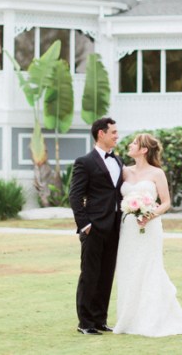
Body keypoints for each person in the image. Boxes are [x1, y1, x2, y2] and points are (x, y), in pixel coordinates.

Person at [114, 133, 182, 337]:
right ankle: (128, 318)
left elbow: (166, 202)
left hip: (149, 228)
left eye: (134, 143)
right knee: (129, 270)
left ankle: (151, 320)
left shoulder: (157, 173)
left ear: (144, 150)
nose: (129, 145)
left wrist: (150, 214)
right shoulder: (124, 172)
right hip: (128, 228)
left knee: (149, 269)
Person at [69, 117, 122, 335]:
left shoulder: (118, 160)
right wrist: (84, 224)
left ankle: (100, 319)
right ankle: (85, 323)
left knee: (107, 274)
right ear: (101, 133)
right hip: (94, 227)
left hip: (115, 226)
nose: (117, 136)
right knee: (90, 274)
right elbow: (75, 195)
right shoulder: (84, 161)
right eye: (113, 132)